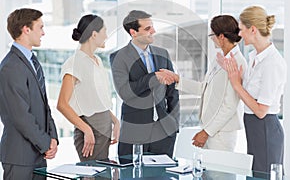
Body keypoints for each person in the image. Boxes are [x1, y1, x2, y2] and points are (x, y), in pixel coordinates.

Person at [161, 15, 247, 151]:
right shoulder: (220, 59)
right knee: (207, 171)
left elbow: (229, 105)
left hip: (221, 132)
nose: (212, 38)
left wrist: (206, 132)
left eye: (213, 34)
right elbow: (205, 88)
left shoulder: (236, 62)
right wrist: (178, 79)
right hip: (211, 128)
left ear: (222, 37)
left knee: (217, 172)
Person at [220, 6, 286, 172]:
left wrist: (237, 85)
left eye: (241, 29)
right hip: (256, 128)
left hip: (265, 128)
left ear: (253, 29)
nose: (239, 34)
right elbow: (253, 95)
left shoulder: (272, 63)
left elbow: (261, 110)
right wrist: (235, 76)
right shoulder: (254, 57)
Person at [110, 10, 180, 157]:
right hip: (134, 131)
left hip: (164, 130)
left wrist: (173, 123)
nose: (153, 31)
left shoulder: (163, 54)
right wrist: (153, 77)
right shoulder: (119, 57)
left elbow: (172, 92)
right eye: (147, 29)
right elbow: (125, 92)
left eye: (152, 27)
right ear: (133, 32)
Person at [0, 8, 58, 179]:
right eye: (40, 27)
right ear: (26, 29)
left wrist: (53, 138)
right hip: (20, 157)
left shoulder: (32, 61)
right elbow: (21, 116)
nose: (43, 32)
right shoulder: (11, 66)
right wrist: (46, 143)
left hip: (38, 155)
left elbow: (44, 105)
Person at [57, 14, 120, 162]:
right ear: (94, 34)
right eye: (104, 31)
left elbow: (98, 101)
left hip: (103, 130)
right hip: (91, 133)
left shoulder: (97, 61)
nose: (106, 35)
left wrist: (115, 121)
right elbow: (62, 104)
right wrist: (86, 129)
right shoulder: (74, 63)